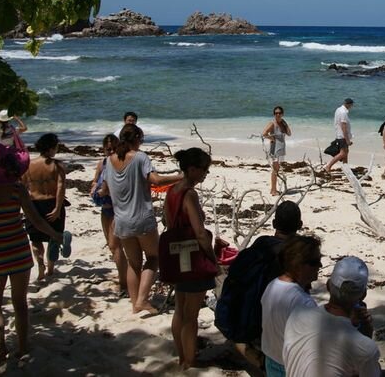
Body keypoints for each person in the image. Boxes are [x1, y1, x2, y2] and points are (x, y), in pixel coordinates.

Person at [0, 142, 68, 370]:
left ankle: (1, 348)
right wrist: (54, 234)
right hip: (19, 251)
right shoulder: (17, 190)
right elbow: (35, 220)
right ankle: (23, 347)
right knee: (20, 303)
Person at [102, 124, 182, 314]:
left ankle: (134, 303)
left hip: (120, 220)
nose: (141, 143)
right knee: (154, 258)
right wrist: (180, 176)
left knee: (133, 263)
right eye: (141, 140)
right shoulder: (140, 157)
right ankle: (142, 300)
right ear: (136, 139)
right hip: (141, 218)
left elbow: (104, 189)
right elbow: (155, 180)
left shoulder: (109, 160)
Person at [215, 201, 304, 368]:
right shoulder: (297, 254)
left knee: (219, 278)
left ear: (274, 224)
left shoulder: (262, 242)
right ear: (299, 225)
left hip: (248, 310)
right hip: (269, 320)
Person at [164, 147, 224, 370]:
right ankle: (190, 361)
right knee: (191, 315)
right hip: (192, 258)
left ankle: (182, 356)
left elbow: (168, 223)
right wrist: (213, 260)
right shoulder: (189, 193)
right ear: (192, 169)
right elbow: (199, 232)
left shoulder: (172, 191)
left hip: (176, 255)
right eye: (204, 170)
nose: (205, 175)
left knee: (180, 309)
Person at [283, 256, 385, 377]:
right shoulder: (365, 347)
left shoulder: (296, 316)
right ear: (363, 295)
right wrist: (365, 336)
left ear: (328, 286)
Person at [261, 235, 321, 376]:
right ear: (298, 265)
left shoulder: (272, 285)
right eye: (315, 262)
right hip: (292, 368)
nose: (320, 266)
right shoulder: (303, 302)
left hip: (271, 361)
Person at [22, 134, 68, 280]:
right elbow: (61, 188)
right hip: (51, 202)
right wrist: (57, 208)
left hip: (34, 204)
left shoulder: (28, 165)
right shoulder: (57, 165)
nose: (57, 150)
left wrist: (24, 207)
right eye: (56, 147)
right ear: (50, 148)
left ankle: (40, 262)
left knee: (35, 238)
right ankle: (50, 268)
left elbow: (22, 187)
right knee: (54, 237)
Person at [90, 133, 127, 294]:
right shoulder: (103, 163)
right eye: (107, 149)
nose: (110, 151)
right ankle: (124, 275)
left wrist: (103, 191)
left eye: (113, 148)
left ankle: (124, 282)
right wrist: (93, 188)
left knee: (115, 245)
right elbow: (95, 179)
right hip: (105, 208)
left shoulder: (121, 163)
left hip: (118, 208)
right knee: (112, 246)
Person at [263, 106, 292, 196]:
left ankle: (274, 189)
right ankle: (273, 190)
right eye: (276, 113)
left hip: (281, 149)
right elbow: (264, 134)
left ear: (282, 114)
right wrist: (272, 138)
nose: (278, 114)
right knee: (275, 170)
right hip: (274, 149)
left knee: (277, 169)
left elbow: (289, 134)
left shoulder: (283, 123)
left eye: (279, 113)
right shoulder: (272, 123)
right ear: (274, 114)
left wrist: (285, 124)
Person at [325, 98, 354, 174]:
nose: (351, 107)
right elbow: (343, 126)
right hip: (342, 136)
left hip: (339, 134)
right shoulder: (343, 112)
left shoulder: (338, 109)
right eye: (351, 105)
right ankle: (328, 166)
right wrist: (347, 139)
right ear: (349, 104)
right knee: (343, 153)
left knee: (345, 152)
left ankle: (346, 168)